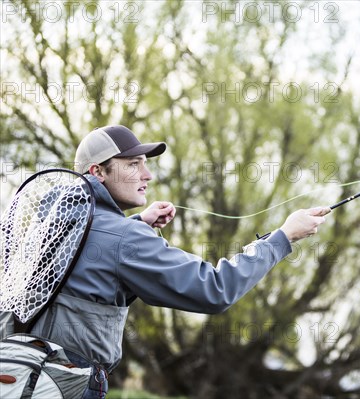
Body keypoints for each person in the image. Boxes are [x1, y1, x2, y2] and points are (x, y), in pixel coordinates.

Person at [0, 125, 330, 397]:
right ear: (97, 171)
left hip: (22, 371)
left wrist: (138, 223)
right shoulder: (124, 238)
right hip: (68, 383)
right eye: (133, 165)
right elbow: (213, 290)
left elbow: (89, 254)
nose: (148, 175)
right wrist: (284, 237)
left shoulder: (52, 224)